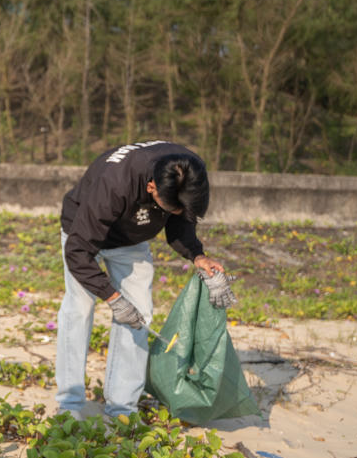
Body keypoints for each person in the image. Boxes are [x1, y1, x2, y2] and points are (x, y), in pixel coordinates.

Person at [56, 140, 237, 420]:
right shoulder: (114, 182)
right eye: (170, 208)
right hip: (83, 230)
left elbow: (181, 221)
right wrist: (113, 297)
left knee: (140, 313)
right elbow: (78, 253)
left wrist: (198, 256)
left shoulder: (188, 173)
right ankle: (70, 404)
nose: (175, 214)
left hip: (131, 240)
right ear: (151, 187)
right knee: (79, 309)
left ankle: (121, 408)